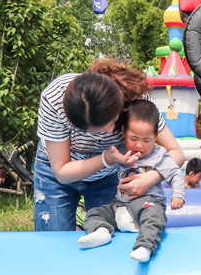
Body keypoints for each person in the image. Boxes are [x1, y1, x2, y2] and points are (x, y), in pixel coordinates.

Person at [34, 59, 184, 231]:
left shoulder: (137, 100)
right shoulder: (54, 99)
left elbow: (175, 152)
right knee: (54, 240)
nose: (111, 130)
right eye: (98, 131)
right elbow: (61, 172)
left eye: (113, 121)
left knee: (110, 236)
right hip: (56, 174)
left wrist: (149, 179)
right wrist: (106, 158)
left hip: (108, 177)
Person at [78, 100, 185, 262]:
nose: (139, 145)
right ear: (123, 131)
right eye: (133, 138)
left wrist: (178, 195)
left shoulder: (159, 154)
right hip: (119, 204)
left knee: (154, 218)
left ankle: (145, 246)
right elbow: (105, 166)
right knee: (95, 212)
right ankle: (101, 231)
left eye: (147, 140)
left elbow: (175, 173)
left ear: (156, 137)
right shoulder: (120, 150)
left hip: (148, 203)